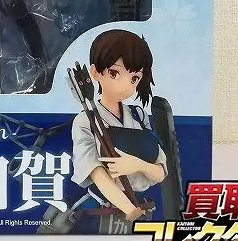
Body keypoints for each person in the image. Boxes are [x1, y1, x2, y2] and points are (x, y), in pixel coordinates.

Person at [71, 29, 168, 221]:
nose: (126, 85)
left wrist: (136, 164)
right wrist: (130, 210)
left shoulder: (138, 115)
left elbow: (160, 172)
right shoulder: (85, 120)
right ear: (95, 72)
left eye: (134, 78)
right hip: (103, 208)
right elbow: (96, 173)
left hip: (143, 205)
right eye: (114, 73)